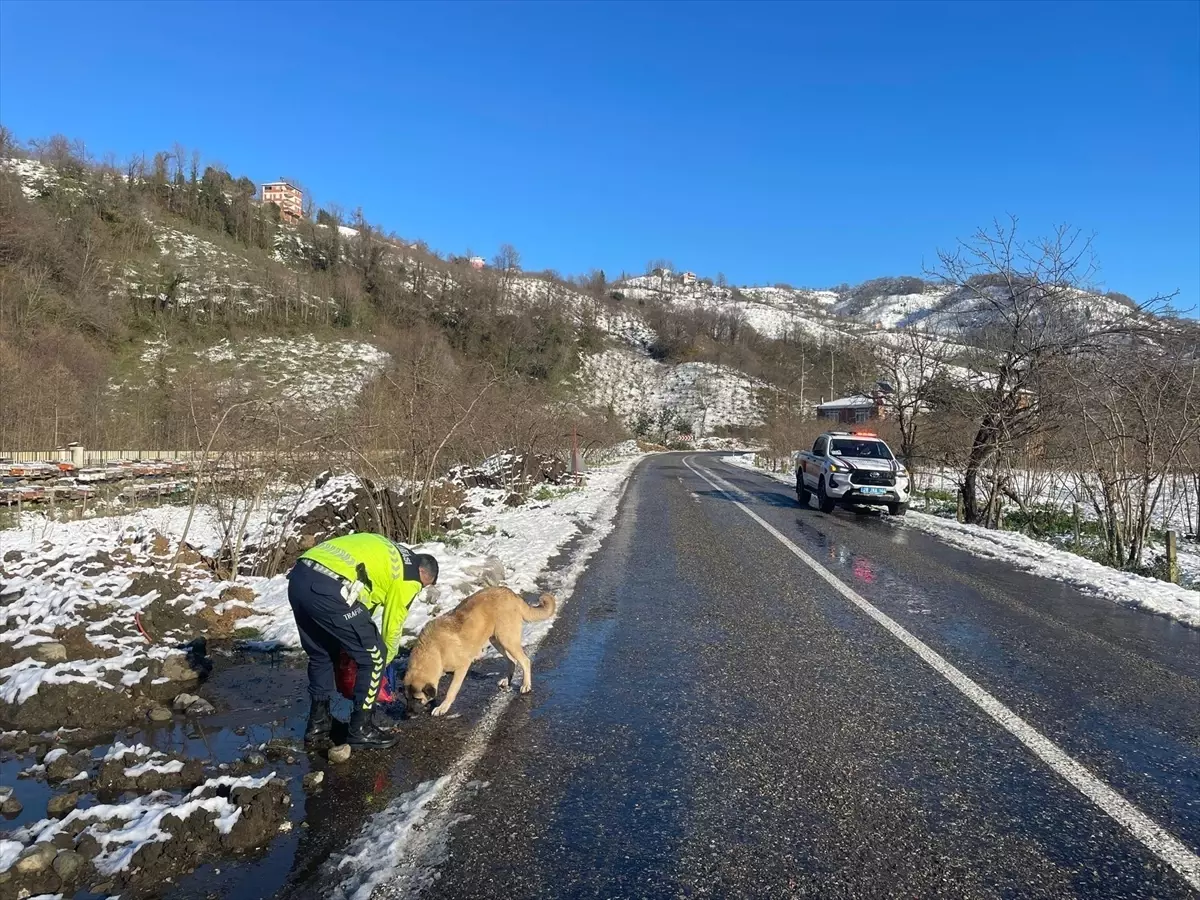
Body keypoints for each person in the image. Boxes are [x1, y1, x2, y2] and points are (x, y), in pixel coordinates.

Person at [288, 533, 438, 748]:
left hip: (300, 578)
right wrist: (386, 660)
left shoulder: (390, 554)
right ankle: (361, 729)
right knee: (374, 656)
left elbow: (366, 599)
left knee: (323, 653)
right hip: (330, 586)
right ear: (423, 572)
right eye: (423, 586)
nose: (418, 590)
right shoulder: (410, 576)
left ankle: (318, 726)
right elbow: (393, 623)